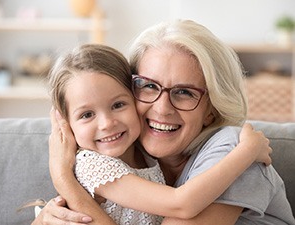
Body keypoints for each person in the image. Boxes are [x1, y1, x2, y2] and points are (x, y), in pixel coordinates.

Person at [33, 20, 295, 225]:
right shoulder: (120, 154)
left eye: (184, 92)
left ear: (211, 111)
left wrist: (64, 180)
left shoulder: (231, 152)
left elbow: (182, 203)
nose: (161, 108)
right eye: (148, 86)